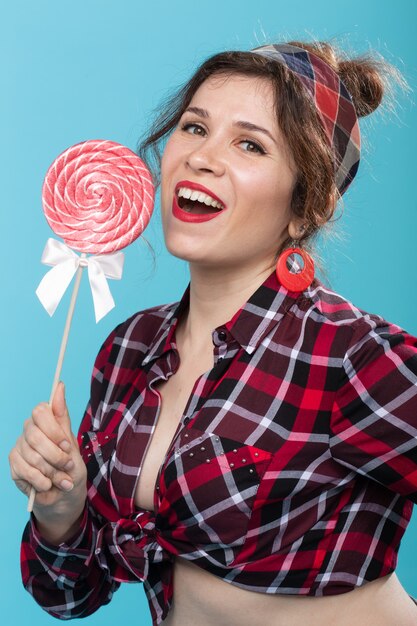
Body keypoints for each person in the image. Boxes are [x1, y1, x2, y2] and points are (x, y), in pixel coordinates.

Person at [9, 41, 417, 626]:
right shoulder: (130, 350)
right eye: (194, 127)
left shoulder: (348, 353)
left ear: (305, 207)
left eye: (250, 143)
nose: (202, 157)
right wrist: (61, 510)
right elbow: (68, 596)